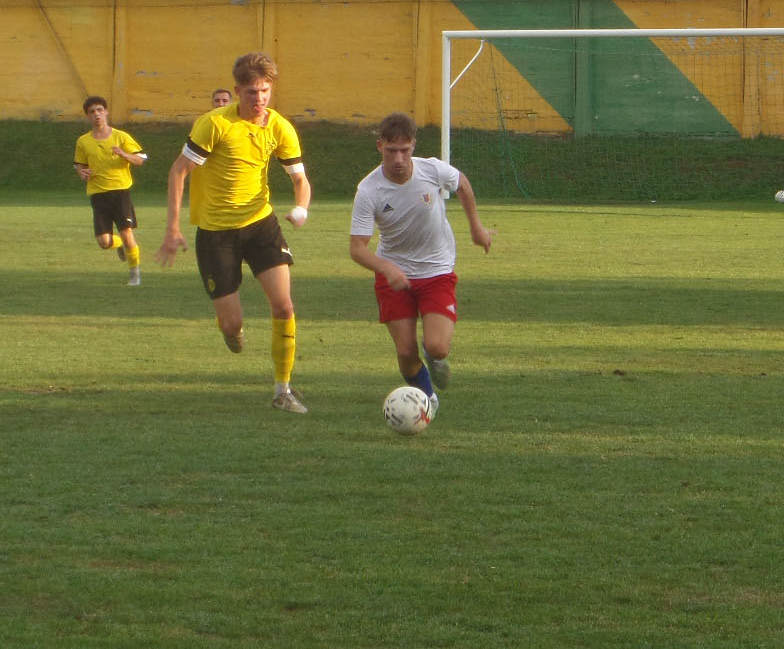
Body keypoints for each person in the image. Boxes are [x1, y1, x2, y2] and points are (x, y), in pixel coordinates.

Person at [159, 52, 313, 413]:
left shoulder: (280, 127)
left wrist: (301, 208)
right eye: (251, 92)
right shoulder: (214, 124)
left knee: (284, 306)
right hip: (216, 234)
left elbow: (300, 179)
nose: (259, 99)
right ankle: (230, 330)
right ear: (238, 91)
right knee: (232, 323)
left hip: (261, 224)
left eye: (264, 91)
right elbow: (178, 171)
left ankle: (282, 390)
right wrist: (172, 228)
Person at [347, 113, 494, 410]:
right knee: (405, 353)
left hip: (436, 271)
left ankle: (433, 356)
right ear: (380, 146)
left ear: (413, 145)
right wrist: (387, 268)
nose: (398, 159)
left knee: (438, 347)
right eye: (391, 151)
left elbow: (462, 184)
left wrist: (476, 227)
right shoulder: (369, 190)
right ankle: (428, 399)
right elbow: (357, 248)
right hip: (393, 276)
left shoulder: (432, 170)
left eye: (404, 150)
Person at [73, 95, 148, 287]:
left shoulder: (121, 137)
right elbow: (79, 164)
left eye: (100, 110)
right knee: (104, 242)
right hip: (98, 194)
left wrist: (124, 154)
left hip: (120, 192)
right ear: (88, 116)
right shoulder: (83, 141)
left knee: (127, 234)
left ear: (106, 112)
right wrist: (81, 171)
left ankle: (135, 274)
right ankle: (119, 244)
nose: (96, 114)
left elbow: (140, 159)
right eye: (92, 112)